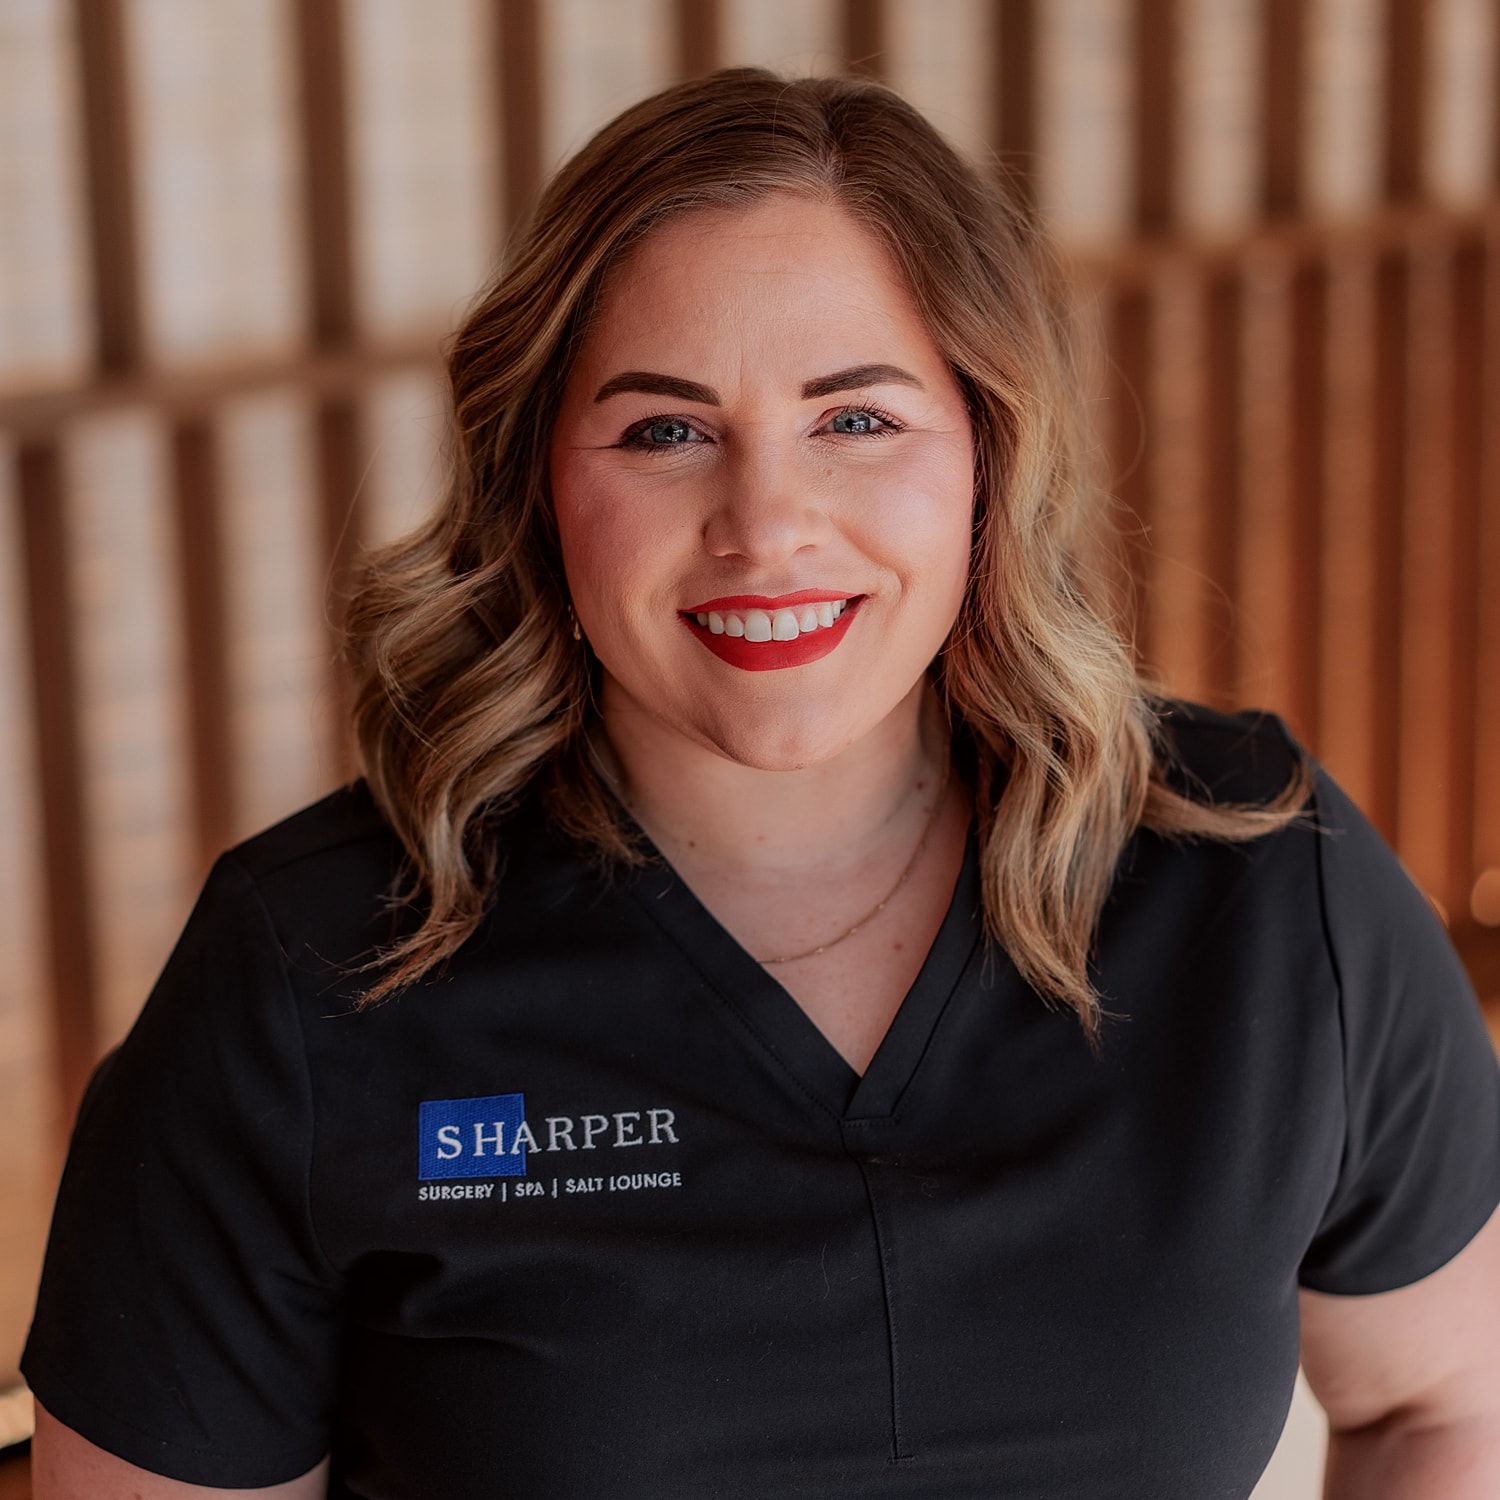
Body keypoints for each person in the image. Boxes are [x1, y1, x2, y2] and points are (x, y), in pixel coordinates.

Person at [23, 69, 1500, 1499]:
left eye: (856, 418)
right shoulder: (308, 976)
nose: (765, 525)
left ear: (990, 451)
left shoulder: (1256, 873)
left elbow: (1452, 1405)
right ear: (541, 480)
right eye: (665, 431)